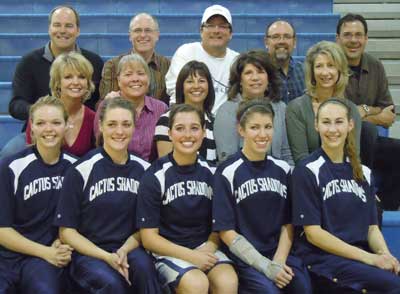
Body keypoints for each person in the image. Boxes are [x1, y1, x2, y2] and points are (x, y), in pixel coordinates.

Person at [291, 98, 400, 293]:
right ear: (316, 125)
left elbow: (372, 228)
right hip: (323, 259)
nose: (333, 129)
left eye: (339, 121)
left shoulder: (363, 172)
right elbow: (314, 234)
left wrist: (385, 254)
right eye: (326, 122)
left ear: (350, 125)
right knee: (392, 285)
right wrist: (371, 259)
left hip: (359, 257)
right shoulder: (307, 170)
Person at [55, 97, 162, 294]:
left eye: (126, 124)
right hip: (89, 254)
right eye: (112, 124)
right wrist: (105, 256)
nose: (119, 131)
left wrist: (123, 251)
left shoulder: (146, 171)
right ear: (101, 126)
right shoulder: (80, 170)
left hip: (128, 248)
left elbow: (146, 228)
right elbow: (66, 232)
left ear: (134, 127)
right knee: (113, 284)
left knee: (147, 272)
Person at [213, 99, 311, 293]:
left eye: (268, 127)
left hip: (279, 253)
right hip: (246, 258)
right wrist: (265, 266)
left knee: (302, 287)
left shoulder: (283, 169)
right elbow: (226, 232)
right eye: (254, 127)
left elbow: (289, 222)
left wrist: (278, 261)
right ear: (241, 130)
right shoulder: (227, 171)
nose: (262, 134)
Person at [137, 104, 238, 293]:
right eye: (180, 128)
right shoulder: (154, 176)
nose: (188, 135)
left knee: (228, 281)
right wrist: (191, 256)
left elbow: (220, 224)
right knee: (196, 283)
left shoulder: (213, 173)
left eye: (194, 128)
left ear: (203, 132)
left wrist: (210, 246)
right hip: (169, 251)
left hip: (204, 247)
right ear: (169, 133)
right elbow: (149, 239)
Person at [2, 5, 103, 158]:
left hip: (83, 130)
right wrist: (44, 113)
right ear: (49, 28)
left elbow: (98, 101)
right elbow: (16, 105)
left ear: (78, 30)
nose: (62, 30)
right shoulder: (29, 62)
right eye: (57, 25)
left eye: (69, 25)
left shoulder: (94, 61)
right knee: (9, 154)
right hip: (40, 129)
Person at [0, 95, 76, 294]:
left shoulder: (77, 168)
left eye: (56, 122)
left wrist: (62, 244)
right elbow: (2, 230)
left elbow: (81, 222)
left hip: (44, 261)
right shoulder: (10, 167)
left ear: (67, 125)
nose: (48, 129)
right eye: (41, 123)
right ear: (31, 127)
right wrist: (46, 252)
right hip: (9, 256)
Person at [336, 13, 400, 209]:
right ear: (338, 38)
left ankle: (387, 206)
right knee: (368, 130)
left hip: (369, 142)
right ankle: (362, 193)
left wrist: (361, 112)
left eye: (358, 35)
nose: (353, 40)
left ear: (365, 38)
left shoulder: (375, 66)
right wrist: (369, 113)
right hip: (336, 141)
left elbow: (388, 114)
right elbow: (337, 113)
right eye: (347, 35)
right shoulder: (330, 66)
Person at [286, 41, 362, 165]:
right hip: (310, 177)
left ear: (339, 69)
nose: (325, 72)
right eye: (319, 66)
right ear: (312, 71)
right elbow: (301, 159)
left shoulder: (351, 109)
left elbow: (353, 156)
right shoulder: (296, 108)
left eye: (331, 65)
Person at [214, 50, 293, 165]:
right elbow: (227, 160)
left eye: (260, 72)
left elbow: (286, 153)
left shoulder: (281, 108)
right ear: (240, 80)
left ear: (269, 78)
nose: (255, 78)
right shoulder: (227, 110)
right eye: (248, 73)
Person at [165, 4, 239, 114]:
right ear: (201, 30)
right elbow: (176, 91)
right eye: (210, 25)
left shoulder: (237, 60)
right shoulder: (186, 52)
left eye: (222, 26)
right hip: (187, 118)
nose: (216, 30)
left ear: (230, 33)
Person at [95, 54, 167, 162]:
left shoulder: (161, 109)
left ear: (148, 78)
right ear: (118, 80)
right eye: (128, 74)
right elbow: (99, 146)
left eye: (141, 73)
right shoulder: (107, 106)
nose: (135, 79)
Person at [25, 52, 95, 157]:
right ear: (58, 82)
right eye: (68, 77)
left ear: (88, 83)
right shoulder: (41, 115)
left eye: (81, 77)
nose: (76, 82)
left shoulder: (93, 118)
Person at [100, 13, 170, 104]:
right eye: (137, 30)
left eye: (148, 30)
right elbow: (103, 104)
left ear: (157, 35)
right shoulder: (113, 65)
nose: (143, 35)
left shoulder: (167, 65)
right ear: (130, 35)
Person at [154, 60, 217, 163]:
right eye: (190, 81)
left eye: (201, 81)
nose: (196, 86)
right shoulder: (166, 119)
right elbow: (165, 165)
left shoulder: (214, 121)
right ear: (181, 87)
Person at [265, 20, 305, 104]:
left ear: (294, 42)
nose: (281, 41)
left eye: (287, 36)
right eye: (275, 37)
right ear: (266, 42)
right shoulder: (259, 74)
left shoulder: (305, 72)